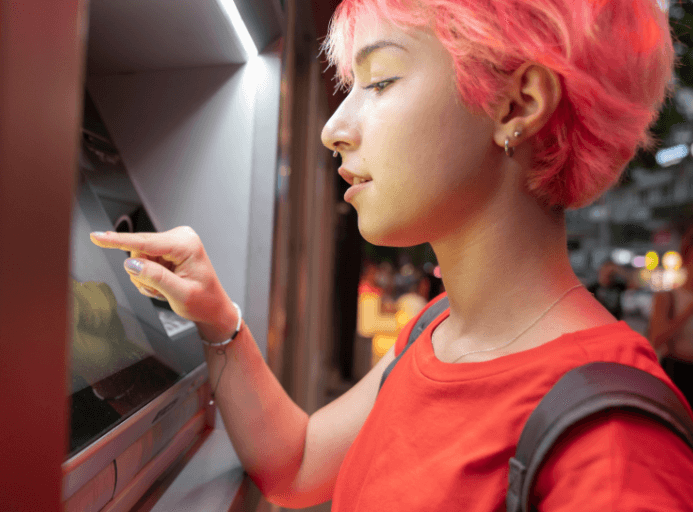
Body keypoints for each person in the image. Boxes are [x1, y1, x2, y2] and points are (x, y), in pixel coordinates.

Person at [90, 0, 693, 509]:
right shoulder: (433, 332)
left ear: (518, 104)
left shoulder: (614, 446)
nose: (333, 127)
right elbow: (296, 465)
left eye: (379, 82)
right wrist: (216, 317)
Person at [650, 224, 693, 407]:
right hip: (679, 372)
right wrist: (687, 312)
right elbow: (656, 339)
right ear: (687, 256)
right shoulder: (668, 296)